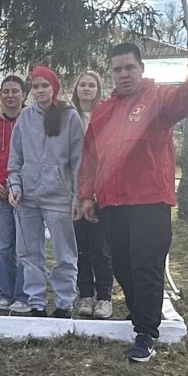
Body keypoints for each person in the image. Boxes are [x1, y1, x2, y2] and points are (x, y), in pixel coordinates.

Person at [80, 43, 188, 362]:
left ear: (141, 68)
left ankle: (146, 332)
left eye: (129, 67)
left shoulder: (158, 97)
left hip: (150, 200)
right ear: (111, 73)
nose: (124, 74)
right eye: (118, 69)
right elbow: (90, 157)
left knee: (145, 265)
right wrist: (86, 195)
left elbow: (187, 101)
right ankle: (143, 313)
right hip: (112, 202)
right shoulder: (103, 111)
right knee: (122, 266)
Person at [8, 66, 84, 318]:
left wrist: (77, 196)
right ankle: (37, 302)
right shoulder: (25, 117)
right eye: (36, 86)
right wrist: (15, 186)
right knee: (29, 253)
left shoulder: (69, 116)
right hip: (27, 198)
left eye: (45, 86)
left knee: (64, 253)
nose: (40, 90)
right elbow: (15, 158)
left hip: (59, 197)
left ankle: (64, 303)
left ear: (54, 88)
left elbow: (78, 160)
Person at [0, 76, 30, 313]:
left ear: (23, 95)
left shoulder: (32, 120)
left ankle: (23, 295)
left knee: (24, 249)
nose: (10, 96)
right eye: (6, 91)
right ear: (0, 95)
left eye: (15, 91)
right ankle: (5, 294)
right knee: (3, 247)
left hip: (25, 194)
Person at [70, 71, 114, 319]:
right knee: (80, 248)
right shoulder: (68, 116)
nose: (86, 89)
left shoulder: (105, 115)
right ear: (76, 89)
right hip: (74, 194)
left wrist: (96, 192)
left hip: (100, 192)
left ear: (98, 89)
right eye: (82, 85)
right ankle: (85, 295)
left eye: (91, 85)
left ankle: (105, 297)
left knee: (101, 248)